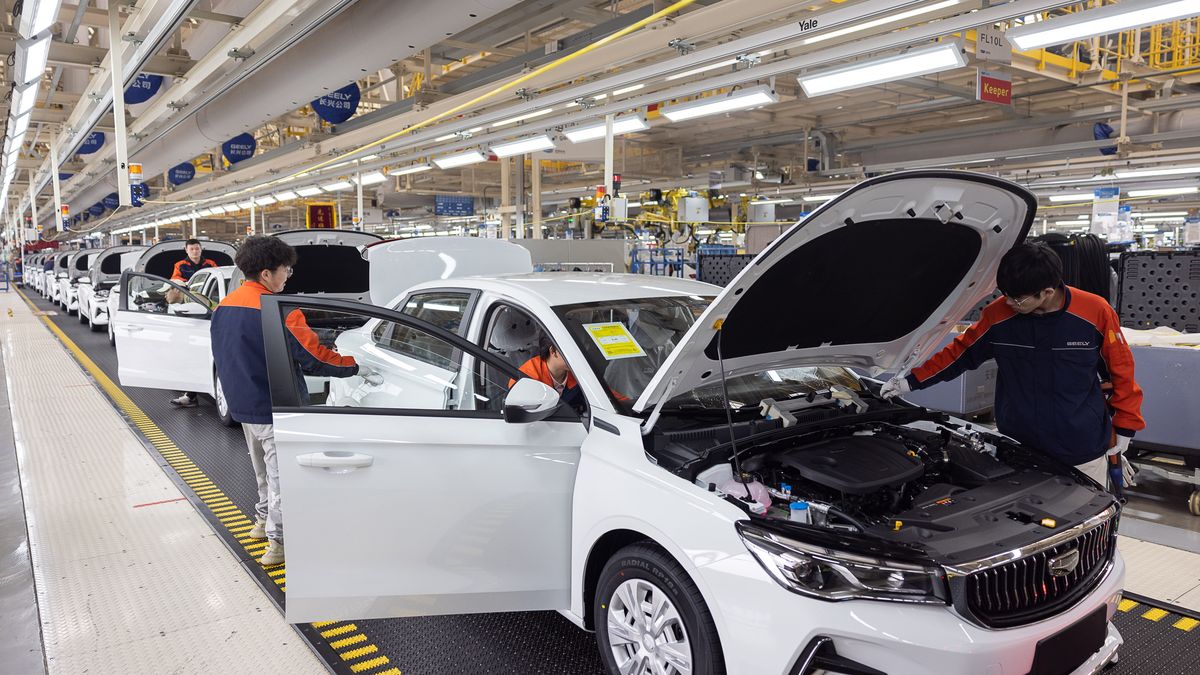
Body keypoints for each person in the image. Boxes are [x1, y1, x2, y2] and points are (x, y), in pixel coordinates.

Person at [881, 243, 1145, 488]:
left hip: (1080, 446)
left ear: (1047, 292)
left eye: (1017, 300)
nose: (1008, 303)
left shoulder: (1094, 311)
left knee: (1083, 524)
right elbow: (960, 353)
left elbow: (1120, 370)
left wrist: (1125, 426)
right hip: (1018, 444)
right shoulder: (999, 314)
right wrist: (910, 381)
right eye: (1005, 295)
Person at [210, 236, 377, 566]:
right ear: (267, 273)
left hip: (242, 402)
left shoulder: (225, 305)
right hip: (274, 406)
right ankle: (279, 542)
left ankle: (261, 522)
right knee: (281, 477)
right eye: (287, 270)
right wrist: (356, 365)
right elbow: (316, 359)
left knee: (261, 472)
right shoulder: (281, 310)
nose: (289, 276)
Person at [169, 239, 220, 407]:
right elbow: (176, 283)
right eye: (192, 249)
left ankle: (191, 394)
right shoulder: (180, 265)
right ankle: (190, 395)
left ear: (201, 249)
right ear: (186, 250)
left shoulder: (210, 264)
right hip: (192, 309)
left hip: (212, 305)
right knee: (191, 354)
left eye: (197, 248)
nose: (195, 251)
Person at [512, 336, 584, 410]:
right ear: (553, 351)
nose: (580, 356)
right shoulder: (525, 379)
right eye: (573, 351)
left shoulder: (579, 372)